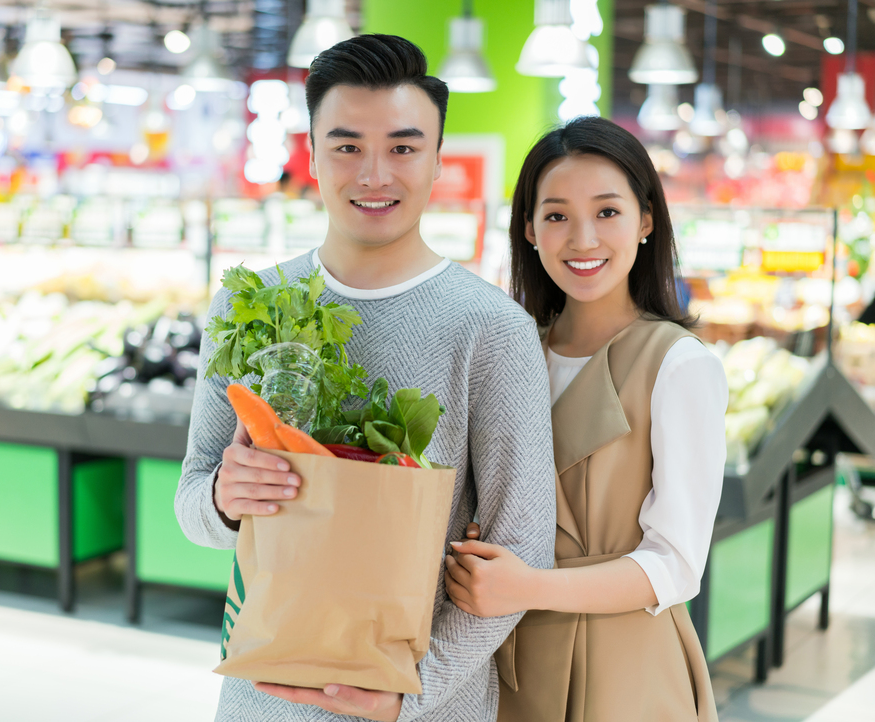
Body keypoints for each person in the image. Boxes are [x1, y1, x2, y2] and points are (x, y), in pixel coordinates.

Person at [175, 34, 557, 722]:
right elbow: (193, 503)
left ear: (438, 161)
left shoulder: (492, 329)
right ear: (313, 155)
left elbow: (521, 553)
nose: (375, 174)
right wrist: (227, 498)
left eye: (404, 148)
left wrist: (412, 693)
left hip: (422, 706)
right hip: (265, 696)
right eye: (347, 146)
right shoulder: (250, 303)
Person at [445, 116, 726, 722]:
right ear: (528, 229)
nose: (582, 239)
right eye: (555, 215)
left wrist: (531, 587)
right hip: (501, 658)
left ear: (646, 220)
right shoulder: (512, 351)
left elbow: (676, 565)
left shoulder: (677, 364)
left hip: (623, 665)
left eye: (606, 212)